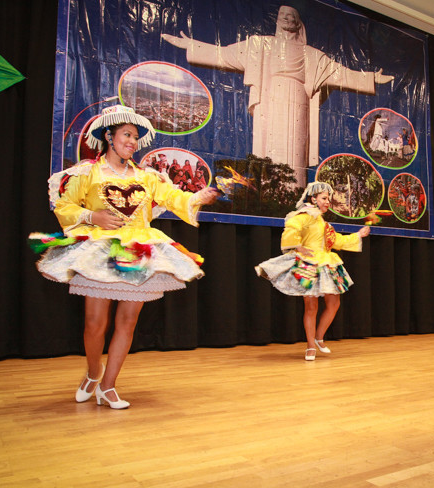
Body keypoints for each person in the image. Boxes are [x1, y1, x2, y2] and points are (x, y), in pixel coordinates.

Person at [30, 105, 220, 409]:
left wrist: (199, 197)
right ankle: (94, 372)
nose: (132, 142)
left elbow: (175, 197)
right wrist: (93, 216)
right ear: (109, 136)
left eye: (135, 137)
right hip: (100, 250)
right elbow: (65, 207)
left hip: (138, 251)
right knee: (94, 323)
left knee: (128, 322)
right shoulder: (88, 172)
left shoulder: (147, 177)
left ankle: (108, 386)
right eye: (127, 135)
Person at [163, 5, 394, 186]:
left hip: (299, 101)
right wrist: (192, 45)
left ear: (298, 23)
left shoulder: (311, 55)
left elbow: (339, 73)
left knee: (296, 152)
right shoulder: (260, 45)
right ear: (277, 20)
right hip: (271, 98)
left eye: (291, 15)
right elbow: (225, 54)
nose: (287, 18)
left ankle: (294, 193)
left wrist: (371, 78)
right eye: (283, 14)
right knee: (270, 150)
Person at [255, 181, 370, 361]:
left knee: (334, 303)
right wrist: (297, 246)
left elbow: (336, 241)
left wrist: (358, 235)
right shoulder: (306, 215)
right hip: (309, 263)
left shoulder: (323, 223)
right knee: (311, 307)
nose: (327, 202)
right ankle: (310, 346)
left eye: (328, 199)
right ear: (313, 199)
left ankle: (319, 337)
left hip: (327, 263)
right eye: (324, 198)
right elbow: (292, 226)